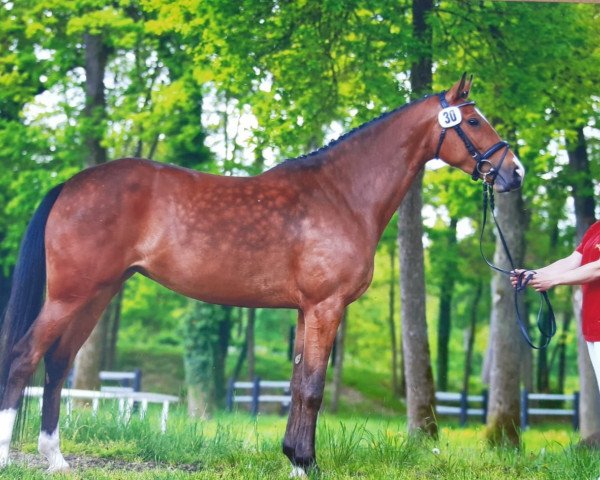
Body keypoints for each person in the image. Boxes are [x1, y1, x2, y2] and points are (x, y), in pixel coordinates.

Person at [511, 221, 600, 386]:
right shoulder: (596, 228)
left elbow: (598, 268)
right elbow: (572, 261)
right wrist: (534, 274)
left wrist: (553, 280)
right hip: (593, 328)